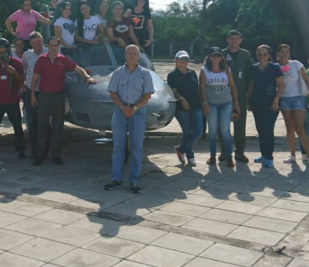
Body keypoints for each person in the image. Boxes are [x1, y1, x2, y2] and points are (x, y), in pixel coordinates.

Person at [31, 37, 97, 165]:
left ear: (58, 47)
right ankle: (39, 155)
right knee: (42, 127)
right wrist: (33, 95)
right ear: (48, 46)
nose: (54, 47)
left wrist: (87, 77)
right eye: (51, 45)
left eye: (56, 45)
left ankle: (56, 155)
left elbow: (78, 69)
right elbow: (35, 78)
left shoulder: (63, 60)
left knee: (58, 127)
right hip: (44, 96)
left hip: (58, 97)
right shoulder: (41, 60)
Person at [104, 45, 155, 194]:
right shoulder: (117, 73)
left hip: (137, 112)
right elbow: (112, 92)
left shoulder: (145, 74)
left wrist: (135, 108)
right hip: (120, 111)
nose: (132, 56)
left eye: (135, 54)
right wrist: (122, 106)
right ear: (125, 55)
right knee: (118, 146)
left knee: (137, 147)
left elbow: (147, 95)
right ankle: (116, 179)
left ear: (138, 56)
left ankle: (134, 180)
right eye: (129, 54)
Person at [276, 44, 309, 167]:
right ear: (277, 53)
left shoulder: (295, 64)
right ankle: (292, 155)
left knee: (300, 127)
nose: (284, 54)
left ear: (289, 54)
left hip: (298, 97)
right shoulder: (275, 66)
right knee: (289, 127)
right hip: (284, 99)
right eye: (282, 52)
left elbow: (306, 79)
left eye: (287, 52)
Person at [199, 46, 239, 167]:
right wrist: (204, 103)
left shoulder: (226, 69)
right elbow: (202, 88)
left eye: (218, 55)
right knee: (212, 131)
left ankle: (229, 156)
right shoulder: (204, 70)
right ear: (209, 57)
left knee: (225, 131)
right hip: (211, 103)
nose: (215, 58)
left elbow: (232, 86)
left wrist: (236, 103)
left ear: (221, 57)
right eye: (213, 56)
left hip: (226, 102)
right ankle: (212, 155)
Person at [0, 38, 27, 159]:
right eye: (0, 52)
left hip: (12, 101)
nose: (2, 55)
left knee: (18, 128)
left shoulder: (16, 63)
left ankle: (21, 151)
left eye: (4, 52)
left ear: (9, 51)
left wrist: (14, 72)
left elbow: (22, 79)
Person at [247, 45, 284, 168]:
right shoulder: (253, 68)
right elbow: (251, 85)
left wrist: (276, 100)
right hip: (257, 102)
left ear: (269, 55)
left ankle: (269, 157)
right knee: (260, 129)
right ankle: (263, 154)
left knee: (268, 130)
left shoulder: (274, 68)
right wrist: (248, 100)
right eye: (259, 54)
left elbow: (281, 85)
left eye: (264, 54)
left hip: (271, 103)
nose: (261, 56)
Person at [221, 30, 253, 163]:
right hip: (223, 95)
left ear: (240, 40)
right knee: (223, 125)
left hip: (240, 95)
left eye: (237, 39)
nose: (234, 41)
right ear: (227, 40)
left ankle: (239, 152)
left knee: (240, 125)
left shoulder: (245, 55)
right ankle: (224, 151)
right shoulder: (221, 54)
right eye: (231, 39)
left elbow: (250, 77)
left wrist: (248, 97)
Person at [167, 50, 202, 167]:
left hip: (195, 105)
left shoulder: (192, 73)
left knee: (198, 132)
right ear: (176, 60)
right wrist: (181, 98)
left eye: (186, 59)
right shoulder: (172, 75)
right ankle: (190, 156)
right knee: (187, 132)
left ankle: (181, 149)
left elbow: (197, 89)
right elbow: (173, 91)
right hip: (181, 108)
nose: (184, 62)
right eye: (181, 59)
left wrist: (203, 103)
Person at [22, 32, 48, 156]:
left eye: (39, 41)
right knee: (31, 121)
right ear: (31, 44)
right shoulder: (27, 55)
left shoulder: (50, 52)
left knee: (44, 122)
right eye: (34, 43)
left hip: (45, 92)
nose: (37, 44)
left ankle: (45, 149)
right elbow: (24, 70)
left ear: (42, 40)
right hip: (30, 91)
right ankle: (35, 150)